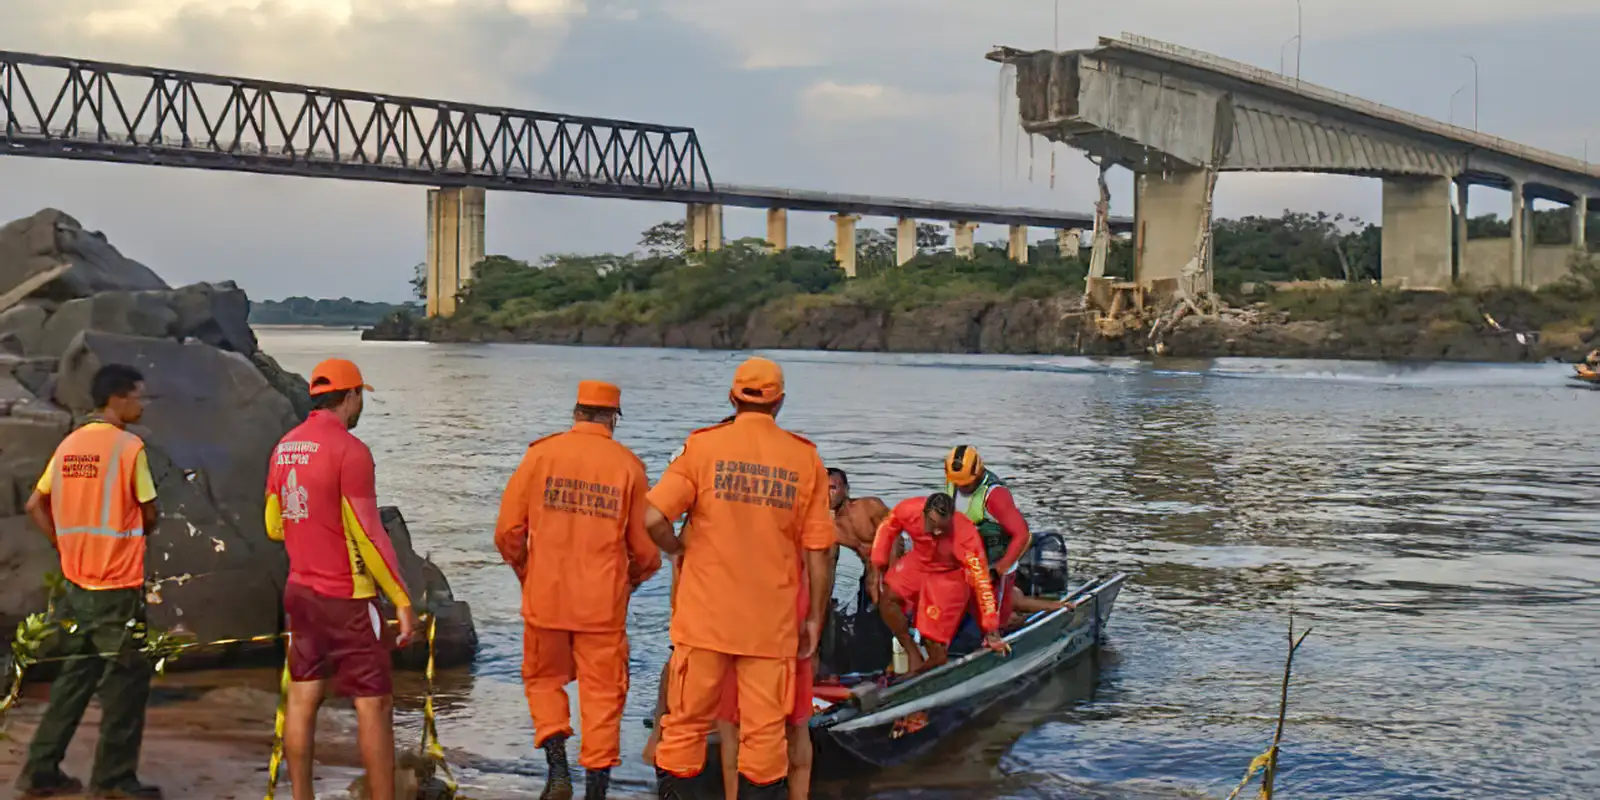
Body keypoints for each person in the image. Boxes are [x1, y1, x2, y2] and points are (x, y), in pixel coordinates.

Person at [645, 357, 836, 800]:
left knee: (685, 728)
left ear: (732, 397)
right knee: (765, 738)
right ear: (780, 403)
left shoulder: (702, 448)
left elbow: (653, 516)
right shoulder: (804, 458)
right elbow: (820, 551)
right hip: (770, 627)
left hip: (703, 622)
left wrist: (676, 548)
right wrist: (814, 622)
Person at [494, 381, 661, 800]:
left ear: (576, 412)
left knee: (543, 680)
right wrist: (633, 579)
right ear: (613, 418)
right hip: (601, 606)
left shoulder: (540, 455)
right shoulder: (628, 466)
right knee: (603, 694)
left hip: (545, 597)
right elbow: (645, 549)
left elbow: (508, 533)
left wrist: (526, 571)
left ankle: (557, 771)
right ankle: (596, 792)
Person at [264, 358, 419, 800]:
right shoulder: (350, 451)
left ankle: (301, 797)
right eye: (360, 397)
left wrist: (311, 524)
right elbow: (370, 534)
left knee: (302, 698)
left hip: (301, 592)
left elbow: (274, 524)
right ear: (351, 397)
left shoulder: (285, 446)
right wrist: (402, 600)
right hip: (347, 597)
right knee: (374, 704)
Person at [16, 364, 162, 800]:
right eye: (139, 395)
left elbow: (33, 505)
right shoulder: (128, 448)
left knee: (75, 677)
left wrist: (64, 545)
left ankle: (40, 769)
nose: (143, 403)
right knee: (126, 680)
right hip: (116, 585)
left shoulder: (70, 446)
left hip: (77, 582)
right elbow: (149, 512)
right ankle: (113, 779)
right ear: (117, 398)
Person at [872, 493, 1006, 675]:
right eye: (933, 525)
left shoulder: (965, 536)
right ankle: (912, 652)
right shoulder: (909, 510)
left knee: (934, 644)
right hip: (920, 560)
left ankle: (927, 670)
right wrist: (878, 565)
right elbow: (888, 526)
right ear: (924, 514)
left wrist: (991, 628)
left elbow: (982, 581)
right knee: (887, 596)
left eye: (942, 528)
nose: (936, 532)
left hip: (948, 574)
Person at [943, 445, 1032, 631]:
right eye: (958, 483)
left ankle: (1013, 619)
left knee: (994, 624)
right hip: (966, 564)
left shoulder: (995, 496)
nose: (962, 487)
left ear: (978, 471)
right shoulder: (953, 482)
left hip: (995, 565)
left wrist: (998, 571)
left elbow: (1022, 534)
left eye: (966, 483)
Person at [826, 468, 890, 604]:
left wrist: (879, 577)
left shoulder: (869, 506)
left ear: (846, 489)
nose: (827, 494)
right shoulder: (828, 526)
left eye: (833, 488)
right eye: (822, 489)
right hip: (869, 572)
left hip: (893, 568)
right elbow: (830, 564)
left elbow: (897, 537)